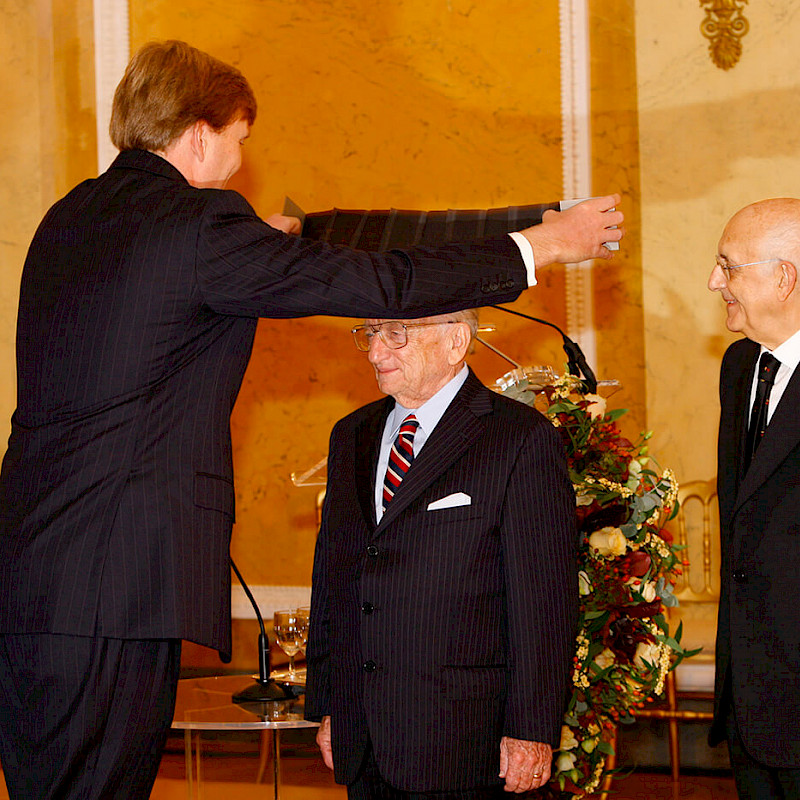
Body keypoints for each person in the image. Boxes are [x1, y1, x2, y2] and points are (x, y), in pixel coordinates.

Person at [0, 39, 619, 799]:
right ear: (200, 134)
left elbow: (149, 314)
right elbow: (383, 281)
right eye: (238, 141)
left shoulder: (70, 217)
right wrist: (544, 245)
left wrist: (258, 250)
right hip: (115, 586)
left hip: (36, 575)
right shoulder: (199, 226)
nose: (238, 162)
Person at [305, 310, 578, 798]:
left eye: (395, 335)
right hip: (363, 733)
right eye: (370, 333)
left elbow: (544, 603)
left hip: (464, 739)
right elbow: (333, 577)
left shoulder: (519, 437)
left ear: (456, 341)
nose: (374, 352)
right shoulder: (351, 434)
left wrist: (532, 729)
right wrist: (331, 704)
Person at [707, 198, 800, 798]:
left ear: (785, 277)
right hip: (751, 697)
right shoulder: (740, 366)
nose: (715, 282)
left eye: (729, 266)